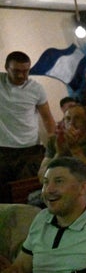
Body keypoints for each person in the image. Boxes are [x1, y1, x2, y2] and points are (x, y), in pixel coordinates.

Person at [0, 51, 56, 201]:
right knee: (4, 196)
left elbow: (47, 118)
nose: (21, 76)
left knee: (29, 195)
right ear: (6, 68)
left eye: (25, 71)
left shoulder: (36, 88)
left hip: (30, 149)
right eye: (16, 71)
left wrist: (53, 143)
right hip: (3, 150)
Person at [39, 105, 86, 179]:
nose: (71, 123)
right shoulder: (55, 141)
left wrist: (75, 150)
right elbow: (41, 177)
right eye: (68, 119)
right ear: (63, 123)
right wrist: (59, 154)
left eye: (77, 118)